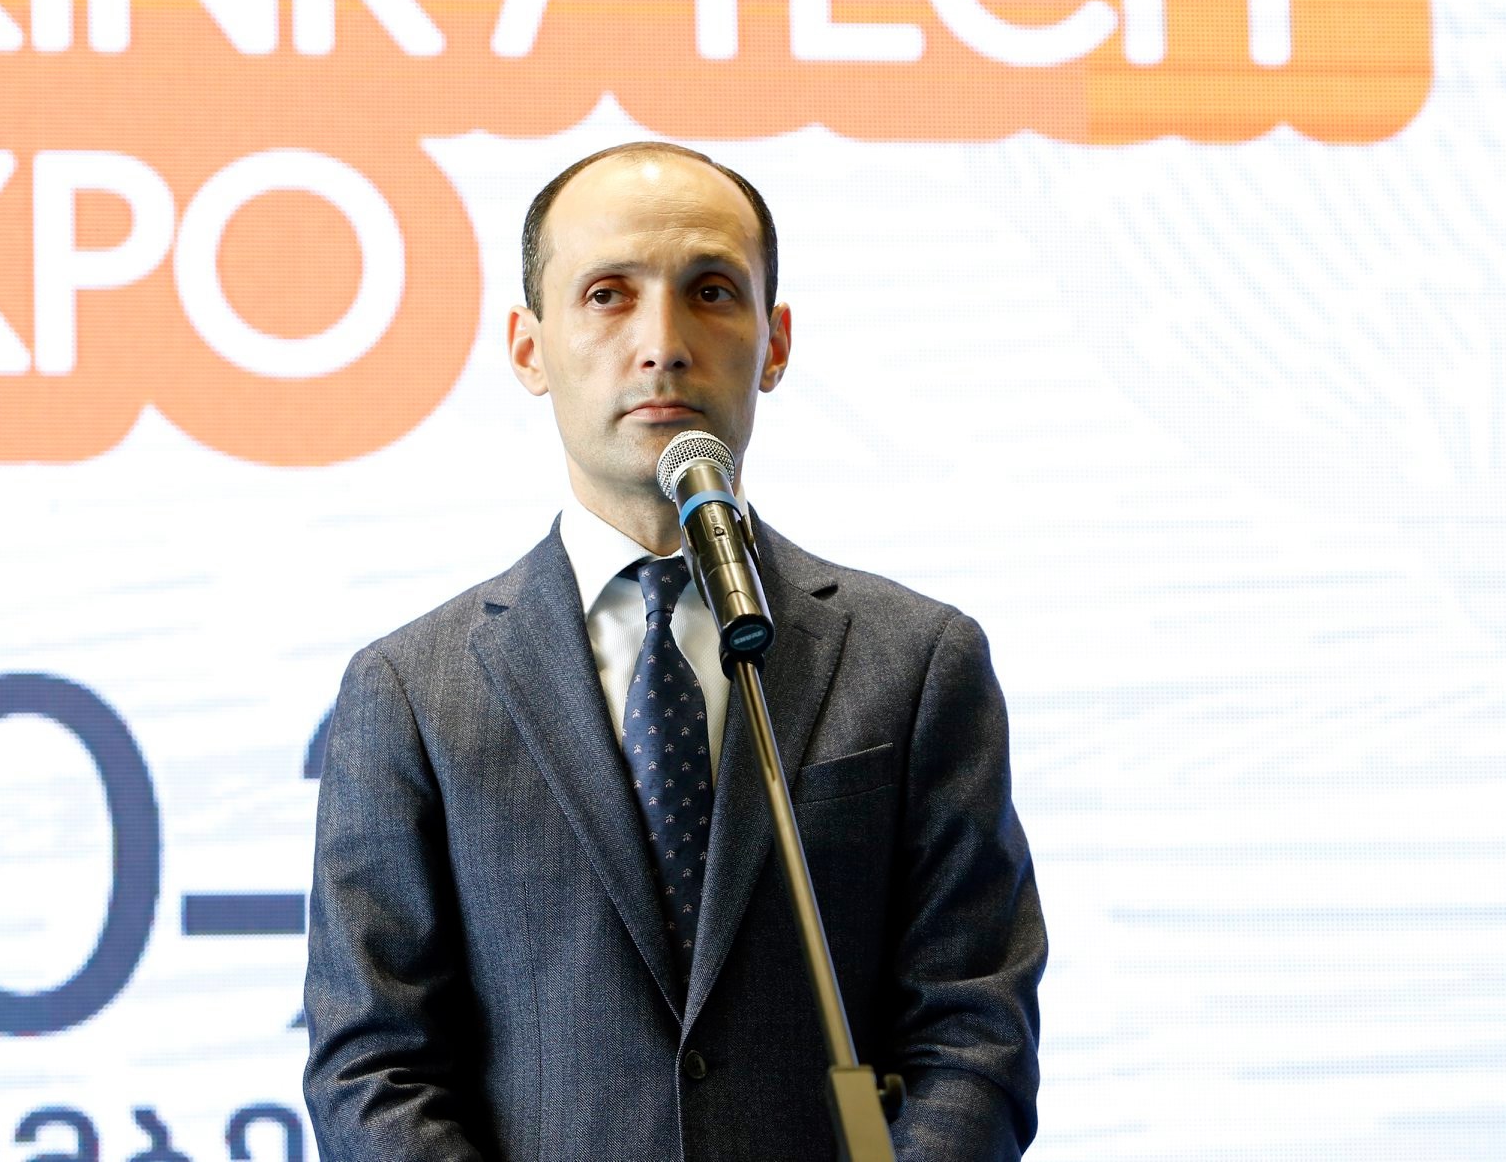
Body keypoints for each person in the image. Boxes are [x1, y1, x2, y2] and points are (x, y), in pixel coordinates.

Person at [303, 142, 1045, 1160]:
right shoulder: (412, 691)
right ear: (528, 347)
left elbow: (973, 1028)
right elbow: (372, 1065)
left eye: (710, 292)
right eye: (607, 294)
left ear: (774, 342)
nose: (661, 343)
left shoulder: (917, 662)